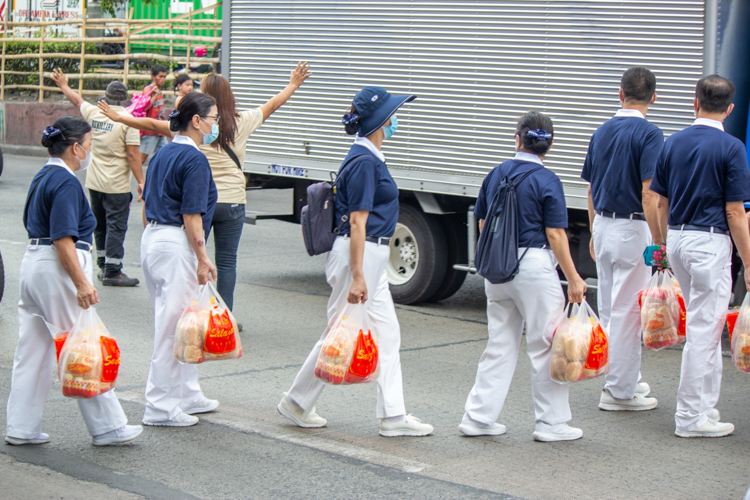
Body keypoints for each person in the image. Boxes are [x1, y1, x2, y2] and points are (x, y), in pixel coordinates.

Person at [277, 86, 434, 437]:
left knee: (387, 333)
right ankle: (297, 401)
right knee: (337, 333)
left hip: (368, 256)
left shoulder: (367, 157)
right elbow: (358, 222)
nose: (395, 120)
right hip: (358, 256)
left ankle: (393, 416)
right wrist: (360, 275)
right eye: (392, 115)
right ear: (380, 121)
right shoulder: (364, 162)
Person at [97, 63, 312, 314]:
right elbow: (273, 104)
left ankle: (194, 313)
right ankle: (224, 317)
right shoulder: (242, 121)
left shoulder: (195, 124)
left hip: (202, 202)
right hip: (233, 201)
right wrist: (293, 84)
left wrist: (120, 117)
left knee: (195, 259)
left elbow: (153, 125)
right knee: (226, 262)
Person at [5, 116, 142, 446]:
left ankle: (21, 428)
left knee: (32, 352)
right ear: (75, 147)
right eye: (89, 144)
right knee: (84, 346)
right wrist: (82, 282)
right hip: (57, 269)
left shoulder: (45, 175)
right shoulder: (65, 182)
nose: (90, 150)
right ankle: (108, 427)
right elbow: (63, 239)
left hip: (34, 267)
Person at [460, 111, 588, 442]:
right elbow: (556, 235)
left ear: (517, 138)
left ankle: (478, 417)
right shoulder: (548, 180)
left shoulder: (496, 173)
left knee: (499, 344)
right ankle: (551, 423)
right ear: (550, 144)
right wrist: (573, 277)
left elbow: (484, 224)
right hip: (534, 266)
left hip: (498, 267)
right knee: (546, 344)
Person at [650, 74, 750, 438]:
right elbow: (735, 212)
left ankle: (705, 408)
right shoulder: (731, 147)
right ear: (730, 109)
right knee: (704, 333)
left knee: (701, 326)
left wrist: (662, 244)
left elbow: (660, 201)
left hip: (677, 238)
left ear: (695, 102)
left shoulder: (672, 143)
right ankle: (690, 418)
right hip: (709, 244)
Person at [581, 67, 662, 411]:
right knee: (629, 312)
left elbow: (589, 188)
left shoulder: (601, 131)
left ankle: (623, 377)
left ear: (620, 94)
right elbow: (649, 193)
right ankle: (618, 392)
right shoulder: (650, 134)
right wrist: (659, 242)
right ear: (654, 98)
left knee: (612, 309)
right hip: (633, 228)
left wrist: (592, 230)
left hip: (604, 224)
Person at [140, 92, 220, 427]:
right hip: (176, 242)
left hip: (155, 239)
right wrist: (202, 258)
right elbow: (192, 215)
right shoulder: (194, 159)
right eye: (213, 118)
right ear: (197, 121)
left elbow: (145, 201)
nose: (216, 124)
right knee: (173, 329)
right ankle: (159, 407)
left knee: (183, 323)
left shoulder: (163, 152)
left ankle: (188, 393)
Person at [51, 70, 143, 287]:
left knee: (100, 224)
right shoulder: (128, 120)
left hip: (94, 182)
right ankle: (113, 270)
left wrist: (63, 84)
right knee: (116, 226)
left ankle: (102, 264)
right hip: (117, 185)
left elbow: (77, 100)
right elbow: (132, 155)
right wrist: (141, 180)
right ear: (125, 99)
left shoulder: (94, 113)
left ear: (107, 97)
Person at [140, 64, 169, 164]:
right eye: (160, 76)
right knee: (141, 158)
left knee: (165, 157)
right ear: (153, 77)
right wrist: (155, 95)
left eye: (164, 77)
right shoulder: (149, 89)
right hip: (150, 129)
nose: (163, 79)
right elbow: (144, 107)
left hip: (160, 129)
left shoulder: (159, 90)